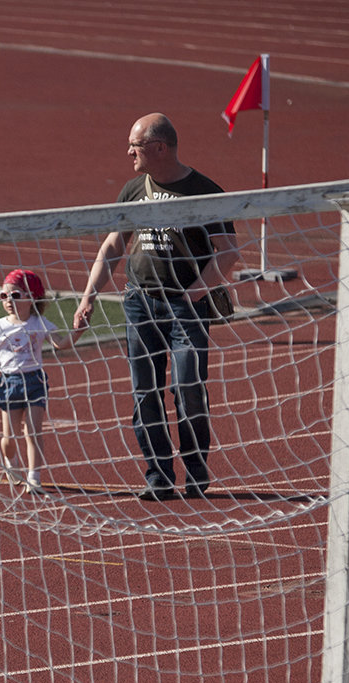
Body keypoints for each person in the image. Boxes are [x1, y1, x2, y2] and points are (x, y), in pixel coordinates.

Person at [73, 113, 239, 501]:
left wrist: (196, 292)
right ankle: (159, 474)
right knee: (145, 391)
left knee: (188, 388)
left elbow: (229, 252)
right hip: (140, 304)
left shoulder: (204, 192)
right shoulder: (134, 189)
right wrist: (88, 296)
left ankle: (196, 471)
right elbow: (114, 246)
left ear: (159, 148)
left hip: (186, 308)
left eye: (135, 145)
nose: (129, 151)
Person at [0, 268, 86, 494]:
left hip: (35, 381)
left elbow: (61, 343)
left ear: (32, 298)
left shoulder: (39, 323)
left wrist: (78, 332)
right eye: (4, 296)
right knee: (8, 438)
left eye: (16, 295)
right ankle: (11, 461)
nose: (9, 301)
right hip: (9, 383)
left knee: (34, 432)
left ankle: (34, 477)